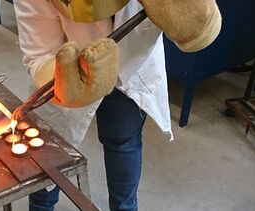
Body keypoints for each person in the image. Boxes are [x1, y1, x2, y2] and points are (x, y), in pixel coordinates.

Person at [13, 0, 221, 210]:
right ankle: (41, 206)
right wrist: (66, 84)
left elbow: (198, 27)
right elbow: (39, 54)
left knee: (123, 141)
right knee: (51, 149)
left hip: (131, 68)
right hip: (69, 64)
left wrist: (196, 22)